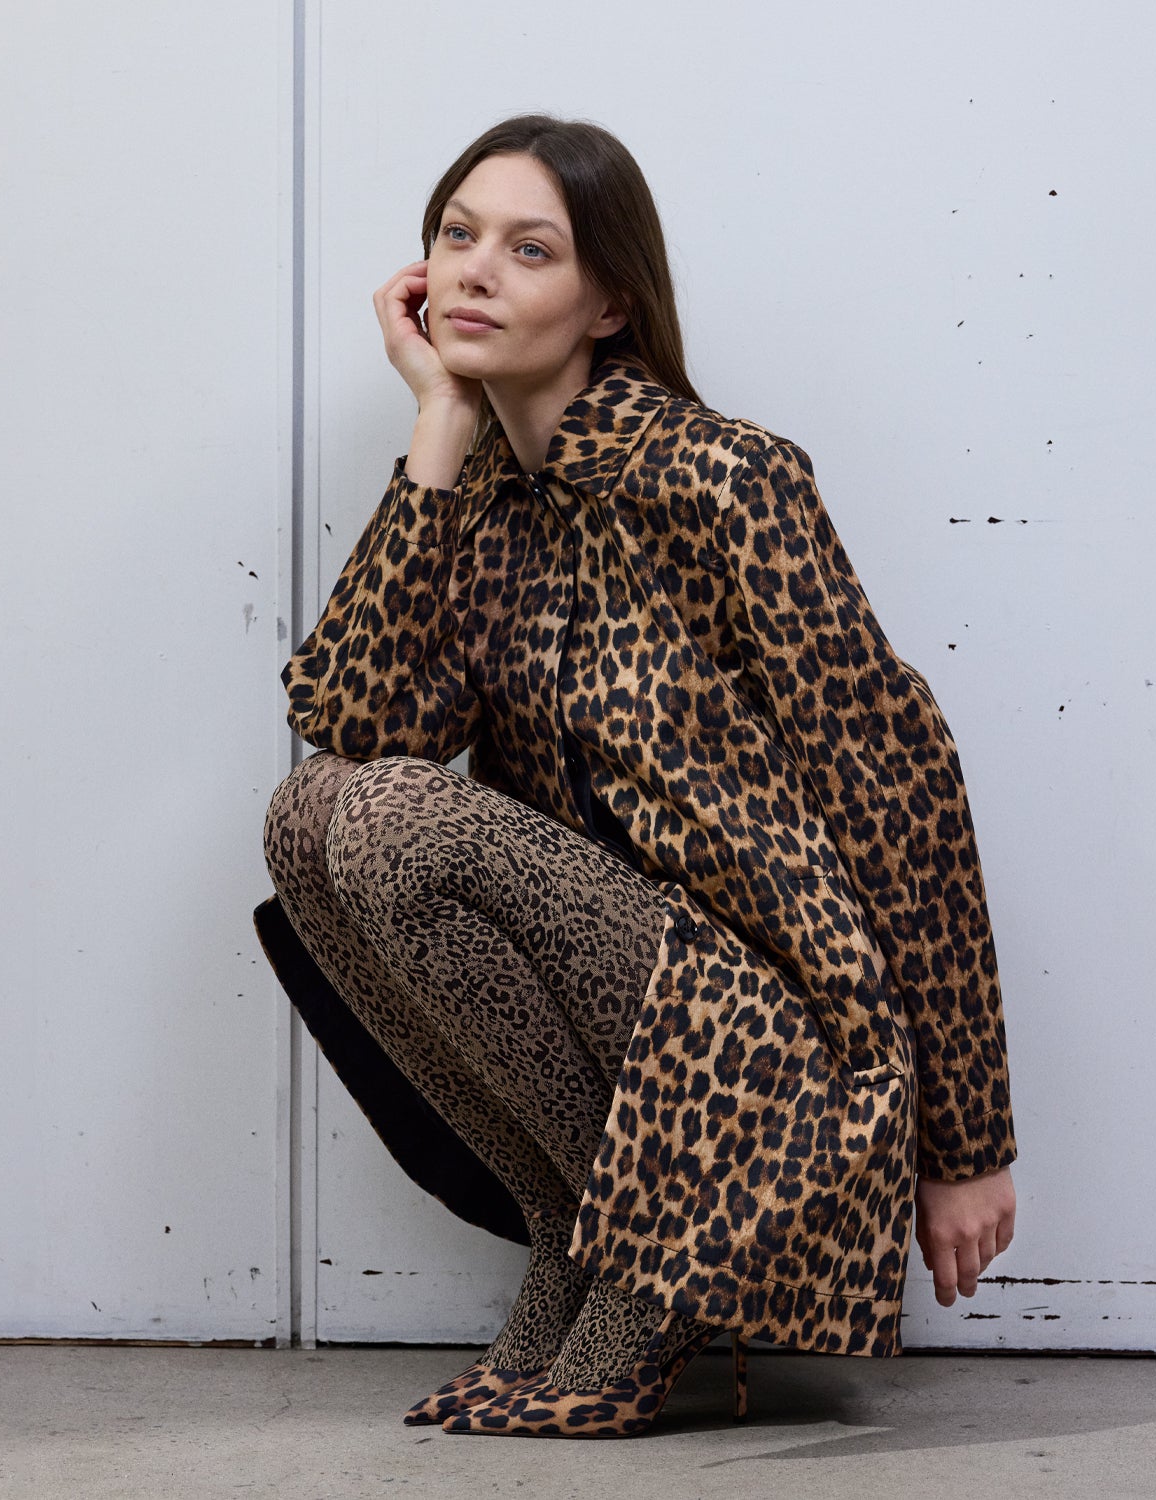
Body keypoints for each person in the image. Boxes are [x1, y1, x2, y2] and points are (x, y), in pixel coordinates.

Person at [257, 112, 1018, 1440]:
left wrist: (966, 1145)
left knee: (377, 813)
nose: (474, 274)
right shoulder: (481, 508)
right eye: (456, 236)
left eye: (529, 249)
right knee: (314, 812)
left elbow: (903, 799)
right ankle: (578, 1232)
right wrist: (436, 425)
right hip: (630, 1020)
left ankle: (633, 1287)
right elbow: (348, 715)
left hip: (772, 1050)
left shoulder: (730, 483)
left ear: (609, 302)